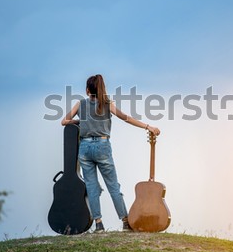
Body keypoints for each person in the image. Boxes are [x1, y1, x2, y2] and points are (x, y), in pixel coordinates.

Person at [61, 74, 161, 233]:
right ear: (101, 89)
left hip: (85, 148)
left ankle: (99, 224)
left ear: (87, 90)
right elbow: (126, 118)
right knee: (113, 186)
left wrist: (80, 121)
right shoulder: (107, 104)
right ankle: (125, 221)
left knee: (92, 187)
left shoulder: (80, 104)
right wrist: (147, 126)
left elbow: (64, 121)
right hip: (102, 146)